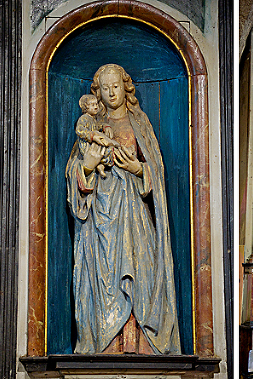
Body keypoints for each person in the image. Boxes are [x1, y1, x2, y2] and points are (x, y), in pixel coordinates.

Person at [66, 63, 180, 354]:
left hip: (133, 210)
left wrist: (139, 169)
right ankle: (105, 349)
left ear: (125, 87)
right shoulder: (89, 125)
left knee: (139, 271)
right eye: (105, 88)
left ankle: (138, 347)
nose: (111, 93)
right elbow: (74, 169)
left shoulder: (138, 122)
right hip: (100, 215)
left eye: (116, 86)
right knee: (103, 278)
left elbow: (157, 169)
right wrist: (88, 167)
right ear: (97, 93)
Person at [75, 93, 118, 178]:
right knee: (103, 142)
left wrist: (105, 126)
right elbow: (79, 130)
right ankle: (114, 144)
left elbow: (99, 125)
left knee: (106, 149)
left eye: (96, 104)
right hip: (87, 147)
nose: (96, 107)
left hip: (94, 145)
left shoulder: (93, 119)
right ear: (86, 107)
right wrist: (92, 136)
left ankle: (100, 167)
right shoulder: (84, 118)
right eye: (92, 105)